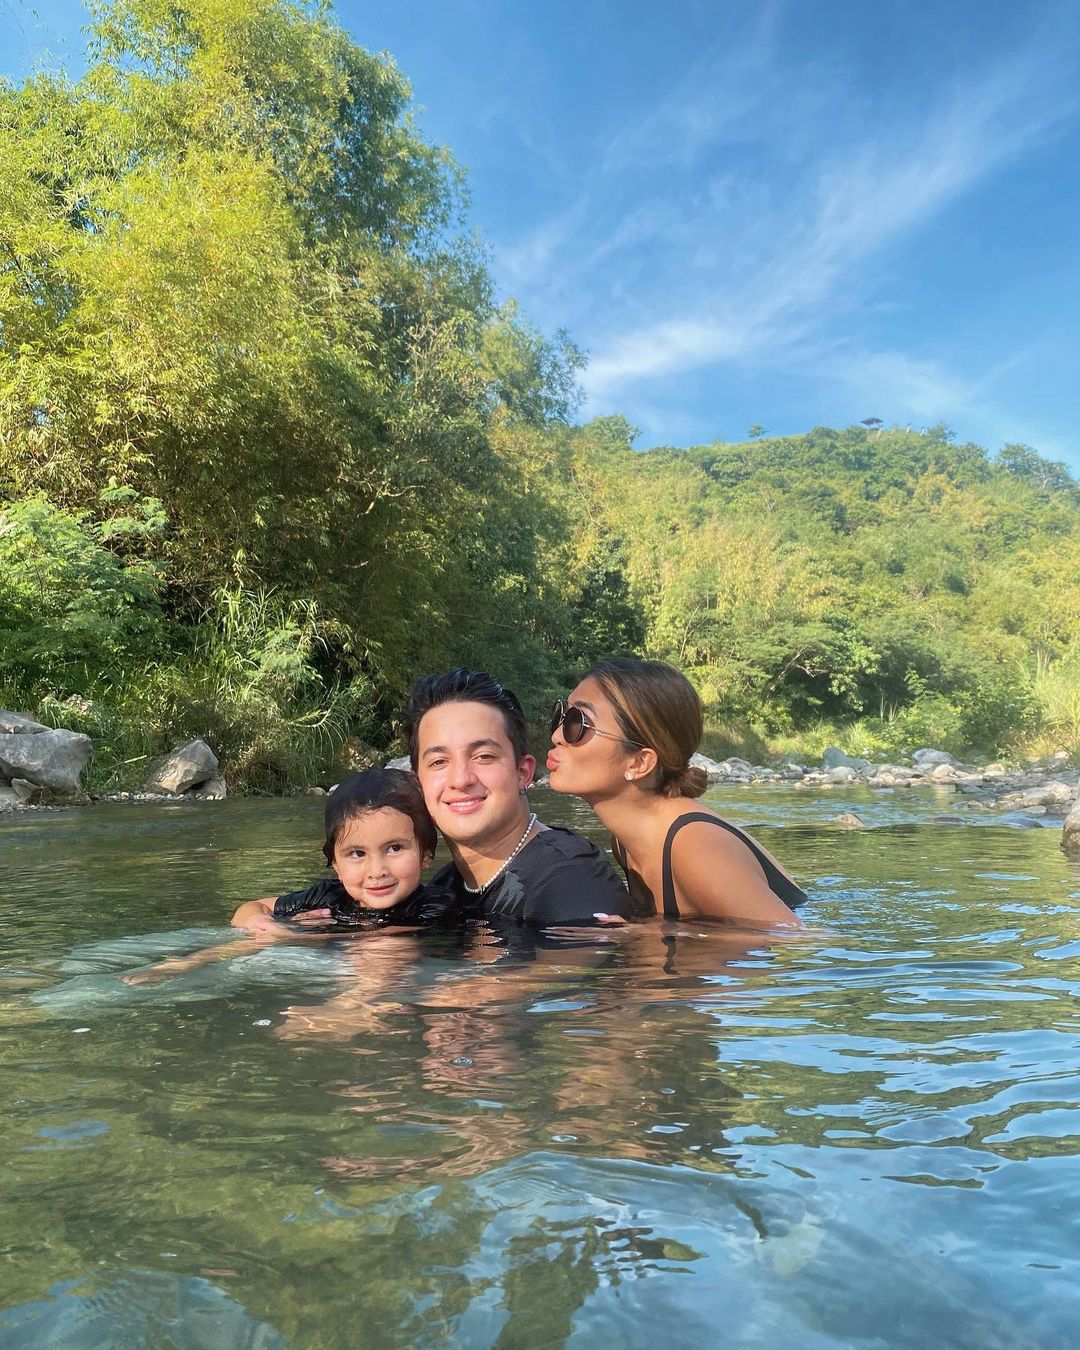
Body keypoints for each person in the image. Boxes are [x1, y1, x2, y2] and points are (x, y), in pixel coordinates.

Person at [546, 658, 806, 926]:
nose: (556, 736)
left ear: (640, 763)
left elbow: (791, 934)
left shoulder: (693, 845)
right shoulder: (627, 840)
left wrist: (642, 933)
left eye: (577, 722)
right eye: (561, 715)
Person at [401, 668, 633, 926]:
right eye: (439, 762)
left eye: (484, 757)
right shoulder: (447, 886)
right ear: (417, 784)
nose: (461, 779)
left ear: (523, 772)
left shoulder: (570, 885)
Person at [230, 768, 458, 933]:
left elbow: (386, 938)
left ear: (425, 854)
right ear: (336, 865)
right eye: (358, 854)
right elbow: (251, 908)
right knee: (239, 945)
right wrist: (262, 923)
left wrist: (300, 934)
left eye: (394, 848)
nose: (377, 871)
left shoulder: (435, 904)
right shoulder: (328, 897)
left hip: (401, 974)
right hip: (330, 964)